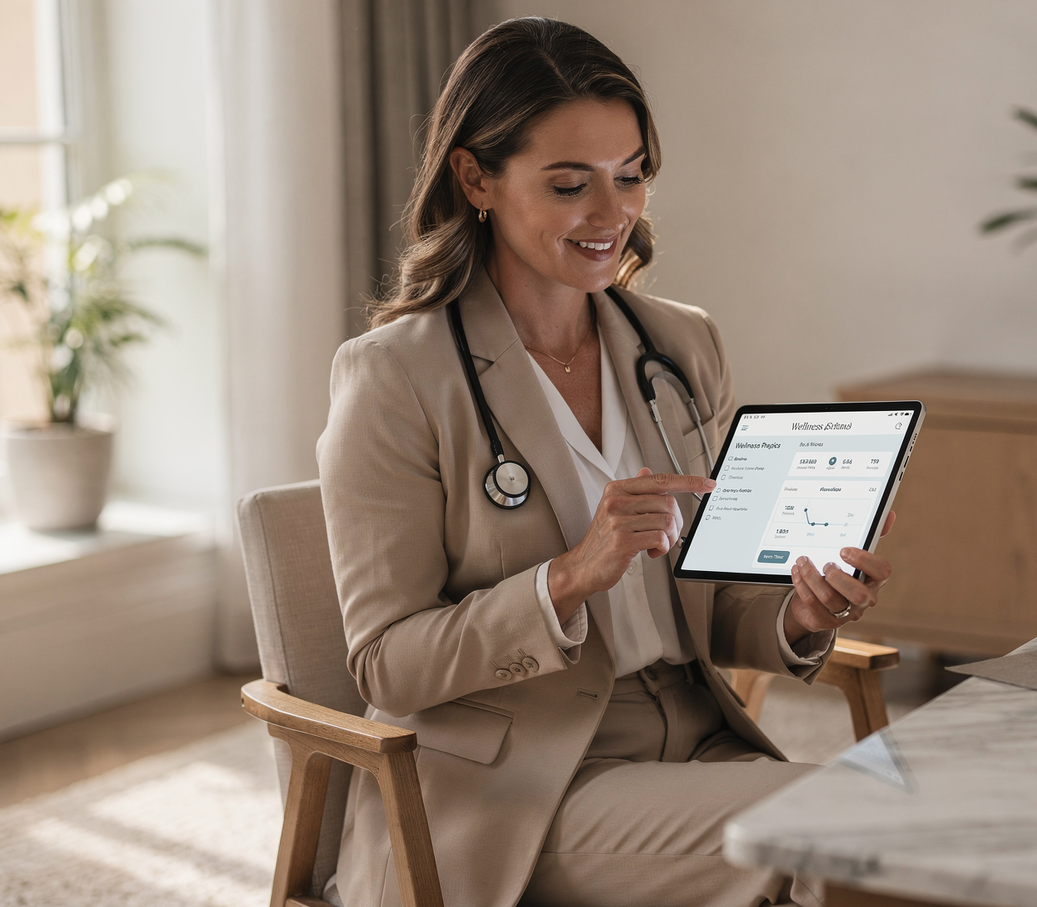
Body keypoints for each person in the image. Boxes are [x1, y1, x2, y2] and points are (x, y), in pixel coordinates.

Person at [317, 17, 895, 907]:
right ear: (475, 177)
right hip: (528, 787)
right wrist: (568, 578)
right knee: (840, 825)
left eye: (630, 177)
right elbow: (387, 664)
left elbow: (715, 606)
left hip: (698, 736)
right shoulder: (395, 376)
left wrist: (799, 614)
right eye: (568, 184)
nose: (612, 214)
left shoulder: (681, 345)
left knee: (908, 818)